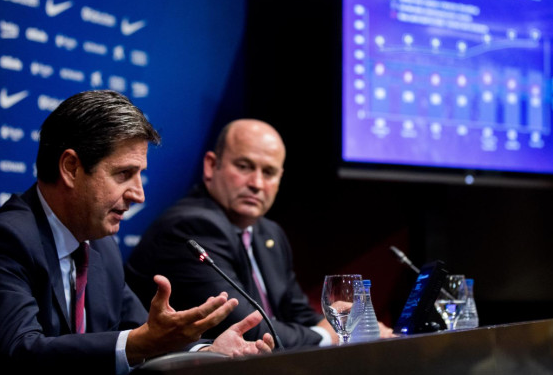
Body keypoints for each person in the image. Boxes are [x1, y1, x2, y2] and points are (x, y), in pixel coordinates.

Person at [0, 91, 273, 375]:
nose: (138, 194)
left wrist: (205, 351)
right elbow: (20, 355)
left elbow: (145, 334)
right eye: (124, 174)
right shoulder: (2, 245)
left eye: (140, 175)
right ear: (71, 168)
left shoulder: (101, 249)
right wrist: (140, 343)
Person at [125, 119, 393, 349]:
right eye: (244, 166)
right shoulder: (190, 227)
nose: (256, 183)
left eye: (269, 172)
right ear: (211, 166)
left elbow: (295, 309)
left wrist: (348, 325)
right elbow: (248, 330)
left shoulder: (269, 232)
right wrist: (328, 335)